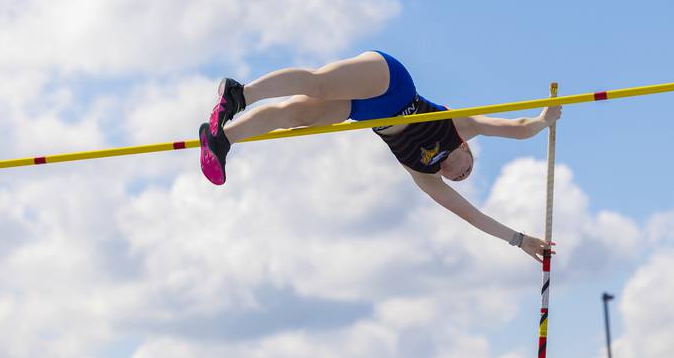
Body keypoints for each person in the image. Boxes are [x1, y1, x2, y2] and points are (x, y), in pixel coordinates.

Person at [200, 50, 559, 262]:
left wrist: (518, 239)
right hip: (391, 83)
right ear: (466, 150)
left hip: (364, 111)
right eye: (469, 170)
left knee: (296, 117)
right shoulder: (460, 128)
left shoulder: (424, 176)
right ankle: (240, 94)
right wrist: (544, 121)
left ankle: (222, 139)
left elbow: (471, 216)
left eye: (459, 180)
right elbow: (517, 127)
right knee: (319, 82)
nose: (461, 177)